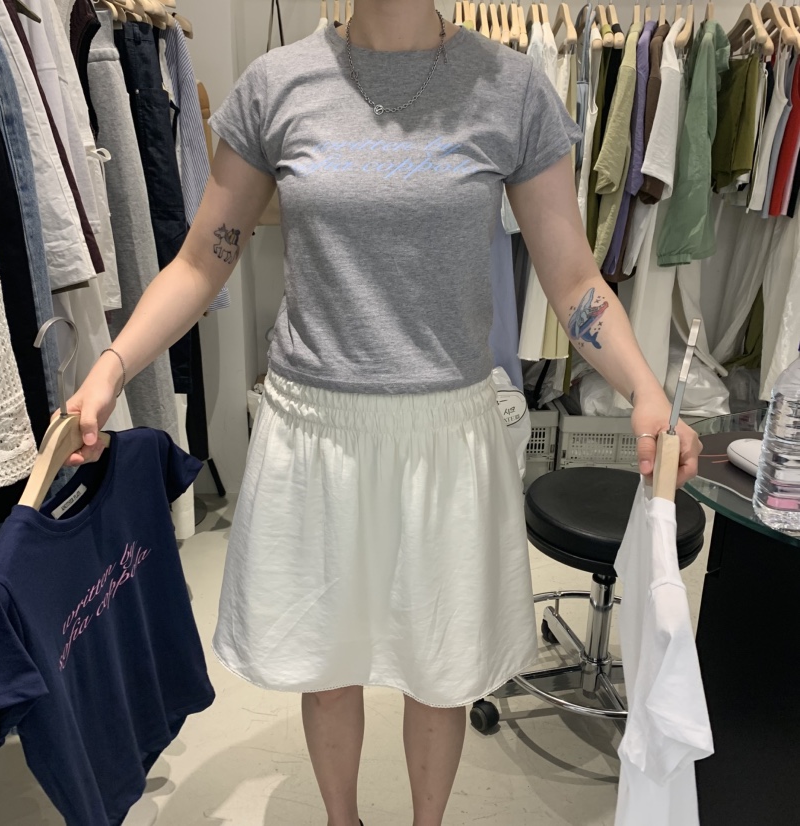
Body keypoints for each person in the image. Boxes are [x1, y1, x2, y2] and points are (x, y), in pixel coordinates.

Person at [66, 2, 702, 824]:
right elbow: (201, 261)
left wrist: (645, 387)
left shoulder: (510, 89)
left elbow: (574, 278)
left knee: (440, 667)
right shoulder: (275, 86)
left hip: (447, 434)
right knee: (328, 662)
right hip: (314, 432)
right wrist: (113, 366)